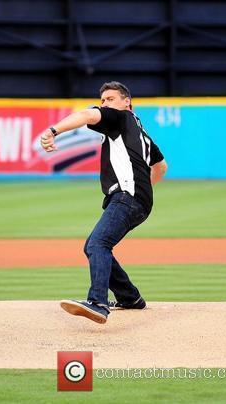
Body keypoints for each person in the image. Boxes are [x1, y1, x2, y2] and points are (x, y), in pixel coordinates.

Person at [41, 81, 167, 324]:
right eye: (103, 100)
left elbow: (87, 114)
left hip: (125, 197)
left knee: (98, 244)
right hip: (137, 200)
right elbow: (161, 166)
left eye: (110, 99)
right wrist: (144, 191)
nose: (105, 104)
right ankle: (129, 297)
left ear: (126, 102)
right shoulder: (141, 134)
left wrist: (52, 131)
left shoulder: (119, 118)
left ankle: (98, 302)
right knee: (93, 245)